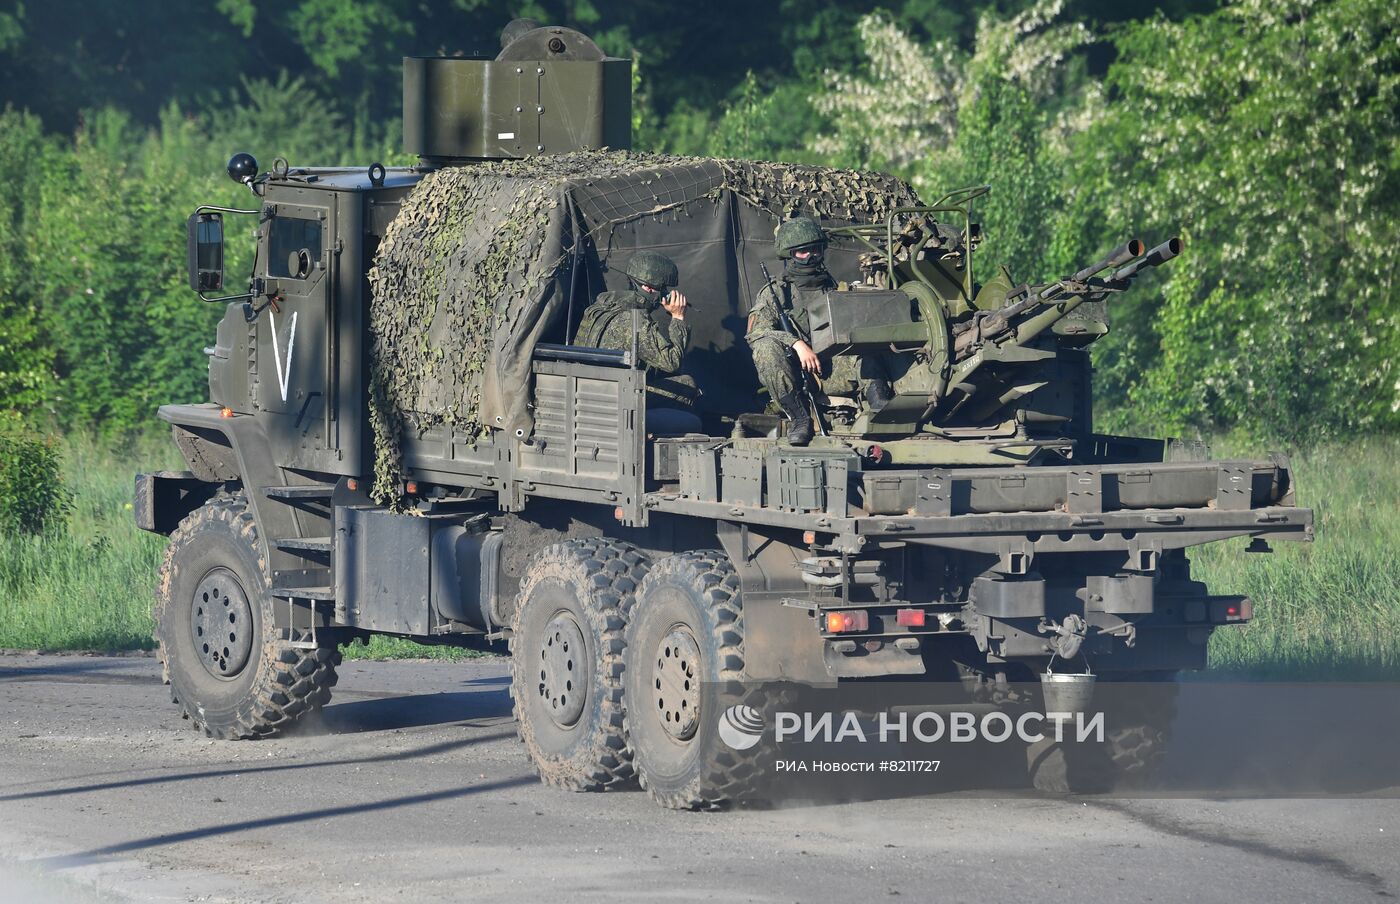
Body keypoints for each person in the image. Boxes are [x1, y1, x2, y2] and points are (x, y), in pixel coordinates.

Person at [746, 217, 894, 445]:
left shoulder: (836, 289)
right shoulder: (776, 292)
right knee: (765, 348)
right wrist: (797, 343)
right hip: (796, 374)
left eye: (815, 249)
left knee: (865, 336)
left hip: (834, 370)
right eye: (803, 252)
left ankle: (880, 404)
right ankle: (800, 419)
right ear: (789, 255)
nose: (811, 256)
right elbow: (755, 333)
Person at [574, 250, 701, 434]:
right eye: (663, 289)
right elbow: (671, 362)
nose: (664, 294)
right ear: (649, 289)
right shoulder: (634, 319)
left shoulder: (600, 307)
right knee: (688, 384)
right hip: (619, 400)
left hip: (591, 394)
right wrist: (678, 318)